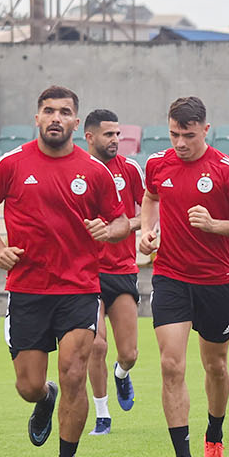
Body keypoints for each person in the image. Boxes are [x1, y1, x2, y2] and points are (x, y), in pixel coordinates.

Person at [0, 86, 127, 457]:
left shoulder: (94, 171)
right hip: (27, 289)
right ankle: (45, 397)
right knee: (27, 386)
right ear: (37, 118)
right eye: (48, 110)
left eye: (63, 111)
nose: (55, 117)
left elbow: (121, 220)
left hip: (79, 289)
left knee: (75, 373)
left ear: (76, 122)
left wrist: (108, 231)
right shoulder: (12, 163)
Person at [139, 96, 229, 457]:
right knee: (171, 364)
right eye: (174, 134)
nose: (180, 143)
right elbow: (150, 197)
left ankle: (215, 433)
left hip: (215, 282)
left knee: (216, 366)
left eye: (188, 135)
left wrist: (214, 225)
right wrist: (147, 230)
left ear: (205, 130)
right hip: (170, 277)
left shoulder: (227, 170)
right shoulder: (158, 164)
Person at [80, 109, 143, 435]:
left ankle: (121, 373)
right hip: (87, 273)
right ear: (90, 137)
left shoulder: (129, 169)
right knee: (97, 345)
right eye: (109, 134)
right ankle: (102, 415)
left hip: (122, 269)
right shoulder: (77, 171)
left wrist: (122, 227)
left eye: (118, 134)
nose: (116, 140)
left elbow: (148, 211)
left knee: (129, 354)